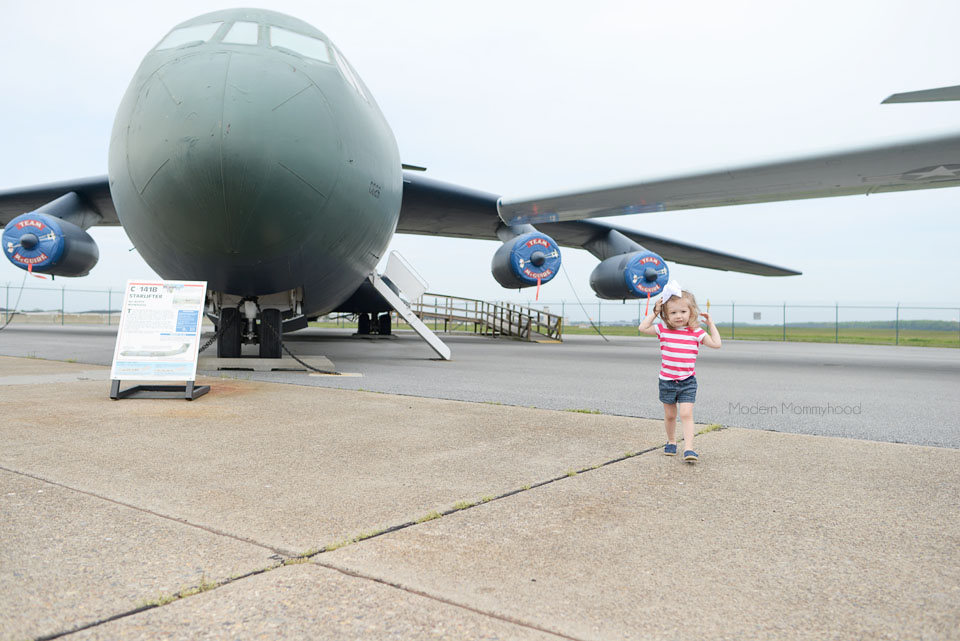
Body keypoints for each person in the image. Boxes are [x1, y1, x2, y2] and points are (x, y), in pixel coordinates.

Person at [638, 281, 721, 462]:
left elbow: (716, 344)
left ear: (691, 312)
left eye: (683, 312)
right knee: (670, 415)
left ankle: (689, 448)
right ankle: (671, 441)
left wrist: (711, 324)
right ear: (666, 314)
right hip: (667, 381)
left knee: (685, 414)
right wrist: (655, 312)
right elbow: (642, 328)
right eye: (673, 312)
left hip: (687, 381)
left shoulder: (695, 332)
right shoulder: (663, 330)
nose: (678, 316)